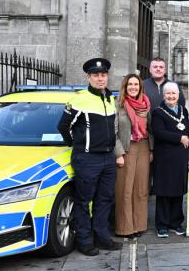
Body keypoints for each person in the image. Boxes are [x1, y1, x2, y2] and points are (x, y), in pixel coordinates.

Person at [57, 57, 123, 255]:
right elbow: (63, 126)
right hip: (87, 159)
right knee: (84, 201)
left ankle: (102, 237)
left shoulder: (110, 98)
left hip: (107, 158)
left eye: (103, 75)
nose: (100, 78)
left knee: (105, 199)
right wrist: (77, 145)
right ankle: (84, 241)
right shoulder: (78, 99)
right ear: (89, 77)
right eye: (96, 75)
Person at [114, 73, 153, 239]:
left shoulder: (146, 105)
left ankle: (139, 225)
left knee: (141, 188)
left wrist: (151, 150)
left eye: (136, 84)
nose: (133, 87)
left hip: (143, 147)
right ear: (125, 86)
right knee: (125, 189)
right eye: (130, 84)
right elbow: (113, 131)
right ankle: (125, 228)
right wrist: (118, 153)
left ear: (140, 87)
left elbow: (150, 129)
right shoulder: (118, 105)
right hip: (126, 148)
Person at [151, 82, 189, 238]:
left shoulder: (183, 110)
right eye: (168, 93)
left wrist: (185, 137)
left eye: (174, 93)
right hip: (165, 159)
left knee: (178, 191)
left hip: (180, 158)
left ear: (178, 95)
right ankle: (162, 225)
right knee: (164, 192)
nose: (171, 96)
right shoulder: (158, 112)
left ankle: (176, 223)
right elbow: (159, 132)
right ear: (164, 95)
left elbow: (187, 129)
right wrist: (179, 138)